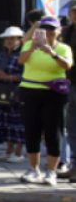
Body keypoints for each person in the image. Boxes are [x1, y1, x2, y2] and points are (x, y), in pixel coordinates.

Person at [17, 17, 72, 186]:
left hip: (54, 93)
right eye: (45, 29)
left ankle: (52, 171)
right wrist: (33, 48)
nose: (48, 32)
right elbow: (21, 60)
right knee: (32, 130)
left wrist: (52, 53)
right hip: (30, 90)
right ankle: (34, 169)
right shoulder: (29, 45)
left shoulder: (64, 48)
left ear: (59, 31)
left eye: (52, 29)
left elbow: (67, 66)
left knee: (53, 131)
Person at [0, 27, 25, 163]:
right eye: (7, 39)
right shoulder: (1, 56)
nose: (9, 41)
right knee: (4, 122)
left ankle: (18, 153)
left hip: (18, 93)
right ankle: (8, 150)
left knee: (18, 122)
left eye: (13, 38)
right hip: (2, 92)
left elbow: (26, 75)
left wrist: (9, 77)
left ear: (20, 40)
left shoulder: (23, 55)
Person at [62, 1, 76, 180]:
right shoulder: (66, 31)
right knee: (71, 127)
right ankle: (73, 164)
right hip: (69, 83)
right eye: (73, 11)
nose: (74, 14)